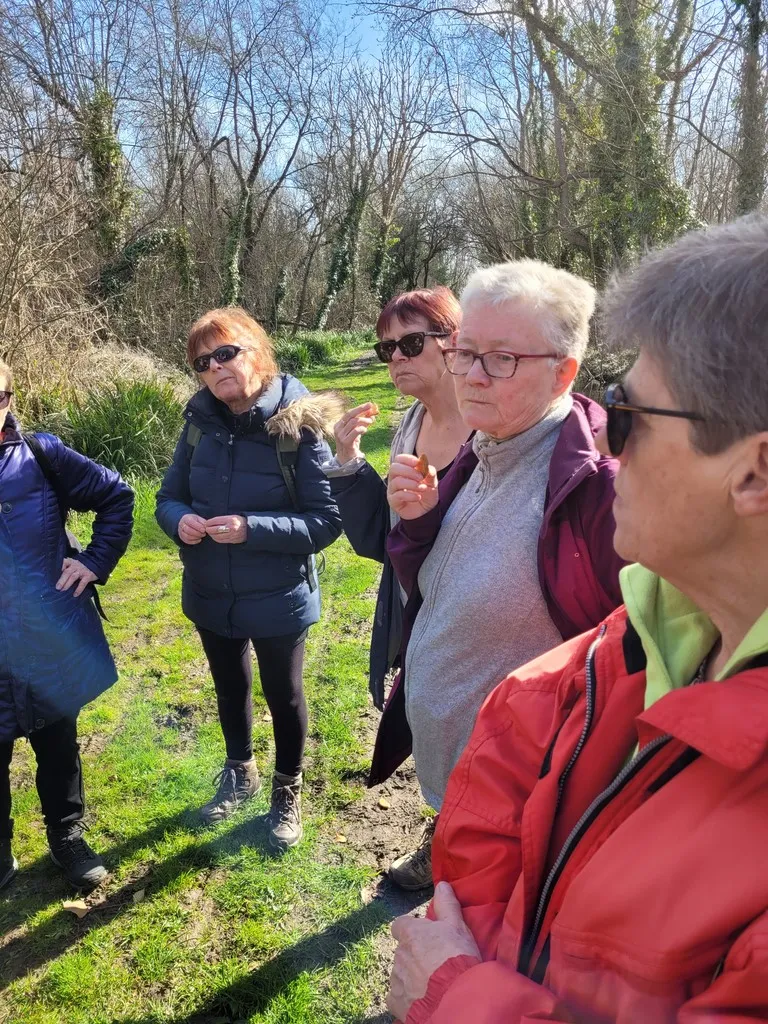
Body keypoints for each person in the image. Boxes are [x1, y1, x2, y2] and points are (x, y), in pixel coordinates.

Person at [386, 216, 768, 1023]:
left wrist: (457, 995)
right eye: (463, 353)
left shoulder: (595, 508)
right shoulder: (644, 639)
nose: (615, 446)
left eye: (629, 414)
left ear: (755, 472)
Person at [377, 260, 624, 890]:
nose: (471, 375)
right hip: (457, 757)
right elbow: (435, 581)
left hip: (523, 796)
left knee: (484, 919)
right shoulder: (482, 446)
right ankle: (440, 836)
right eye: (465, 353)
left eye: (502, 359)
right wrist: (418, 523)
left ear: (563, 372)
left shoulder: (601, 491)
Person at [156, 308, 343, 851]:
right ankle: (241, 772)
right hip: (210, 590)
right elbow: (168, 497)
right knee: (228, 686)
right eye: (202, 363)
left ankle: (287, 788)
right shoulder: (198, 424)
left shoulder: (297, 425)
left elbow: (326, 521)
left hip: (278, 595)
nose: (214, 367)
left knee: (284, 694)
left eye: (225, 353)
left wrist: (250, 528)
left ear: (257, 351)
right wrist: (178, 521)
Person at [324, 288, 469, 882]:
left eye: (411, 343)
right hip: (421, 611)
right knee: (434, 726)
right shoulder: (411, 423)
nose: (397, 359)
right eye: (387, 349)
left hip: (477, 616)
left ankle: (468, 855)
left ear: (453, 342)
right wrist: (348, 460)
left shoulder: (492, 428)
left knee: (482, 735)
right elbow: (385, 537)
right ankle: (445, 837)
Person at [0, 358, 134, 891]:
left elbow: (116, 496)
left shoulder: (41, 455)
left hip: (44, 636)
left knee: (57, 743)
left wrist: (94, 562)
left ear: (10, 398)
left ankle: (67, 836)